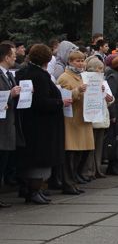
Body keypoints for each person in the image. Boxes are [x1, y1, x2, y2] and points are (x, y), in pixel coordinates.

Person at [16, 44, 70, 204]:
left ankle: (30, 189)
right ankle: (34, 190)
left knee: (31, 159)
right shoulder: (39, 76)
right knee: (40, 161)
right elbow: (41, 101)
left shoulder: (24, 72)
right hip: (42, 126)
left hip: (29, 123)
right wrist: (60, 102)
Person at [57, 49, 94, 190]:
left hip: (84, 117)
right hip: (72, 120)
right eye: (77, 61)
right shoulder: (65, 77)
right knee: (71, 153)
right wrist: (78, 91)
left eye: (82, 60)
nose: (80, 63)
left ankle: (75, 177)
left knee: (83, 151)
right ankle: (68, 181)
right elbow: (64, 97)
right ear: (70, 62)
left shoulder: (84, 76)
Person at [0, 42, 21, 207]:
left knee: (4, 161)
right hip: (2, 127)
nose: (15, 57)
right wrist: (10, 95)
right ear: (6, 57)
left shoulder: (9, 74)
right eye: (13, 55)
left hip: (9, 124)